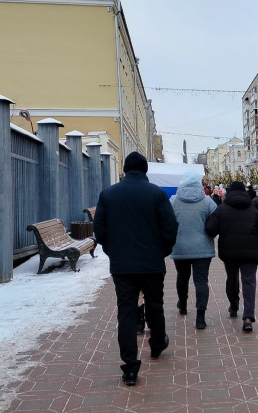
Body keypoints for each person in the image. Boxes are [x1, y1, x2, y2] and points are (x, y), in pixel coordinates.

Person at [93, 152, 178, 386]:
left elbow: (99, 231)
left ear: (125, 169)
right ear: (145, 170)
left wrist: (114, 251)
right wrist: (161, 252)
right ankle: (158, 344)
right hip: (151, 264)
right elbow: (170, 228)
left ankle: (130, 367)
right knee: (155, 305)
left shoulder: (109, 194)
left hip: (122, 267)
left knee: (126, 313)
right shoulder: (157, 194)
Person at [206, 181, 258, 332]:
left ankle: (234, 306)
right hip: (250, 252)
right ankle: (248, 317)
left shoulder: (222, 209)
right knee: (249, 283)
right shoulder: (252, 210)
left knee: (232, 278)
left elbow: (210, 229)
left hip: (229, 252)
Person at [169, 172, 217, 329]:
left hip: (180, 247)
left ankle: (182, 304)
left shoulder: (173, 200)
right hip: (203, 248)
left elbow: (166, 220)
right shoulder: (208, 201)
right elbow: (217, 220)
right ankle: (200, 317)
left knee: (182, 276)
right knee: (201, 281)